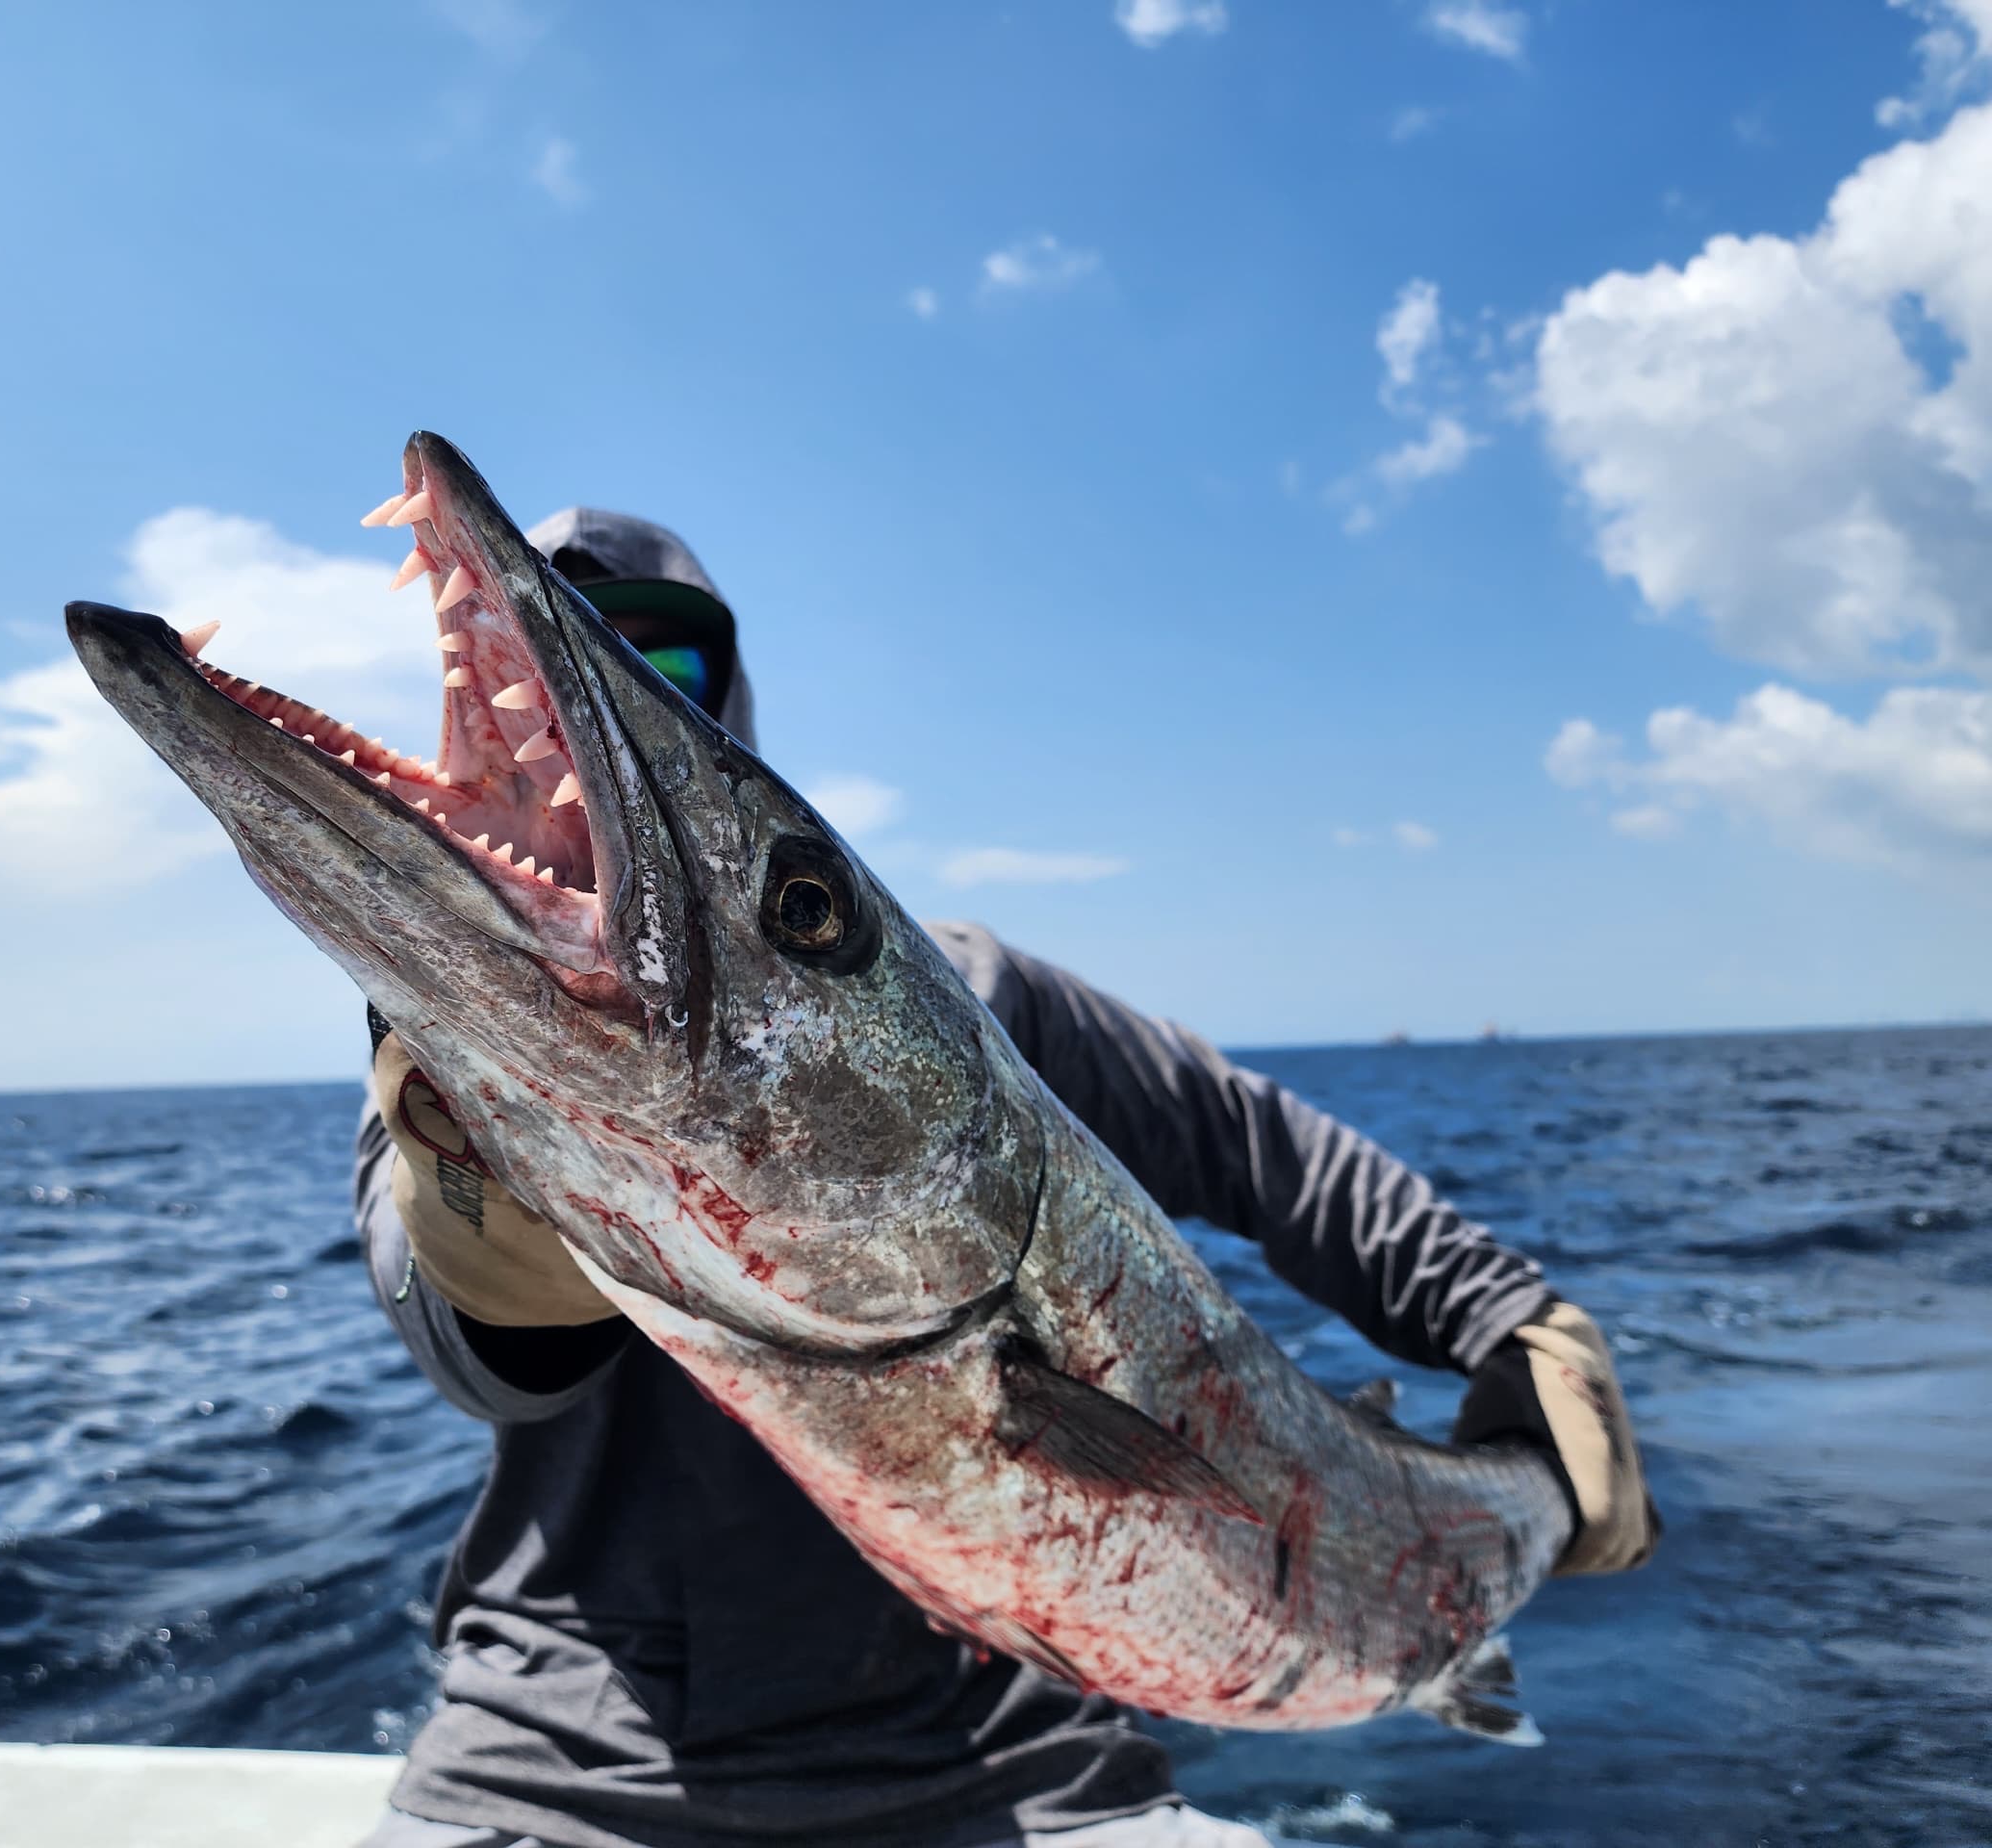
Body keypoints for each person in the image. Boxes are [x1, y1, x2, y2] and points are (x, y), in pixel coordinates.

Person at [353, 508, 1658, 1848]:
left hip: (1021, 1759)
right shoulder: (449, 1024)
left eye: (661, 668)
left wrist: (1515, 1320)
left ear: (728, 704)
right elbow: (469, 1346)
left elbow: (1273, 1153)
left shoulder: (966, 989)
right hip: (563, 1762)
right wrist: (495, 1193)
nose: (601, 709)